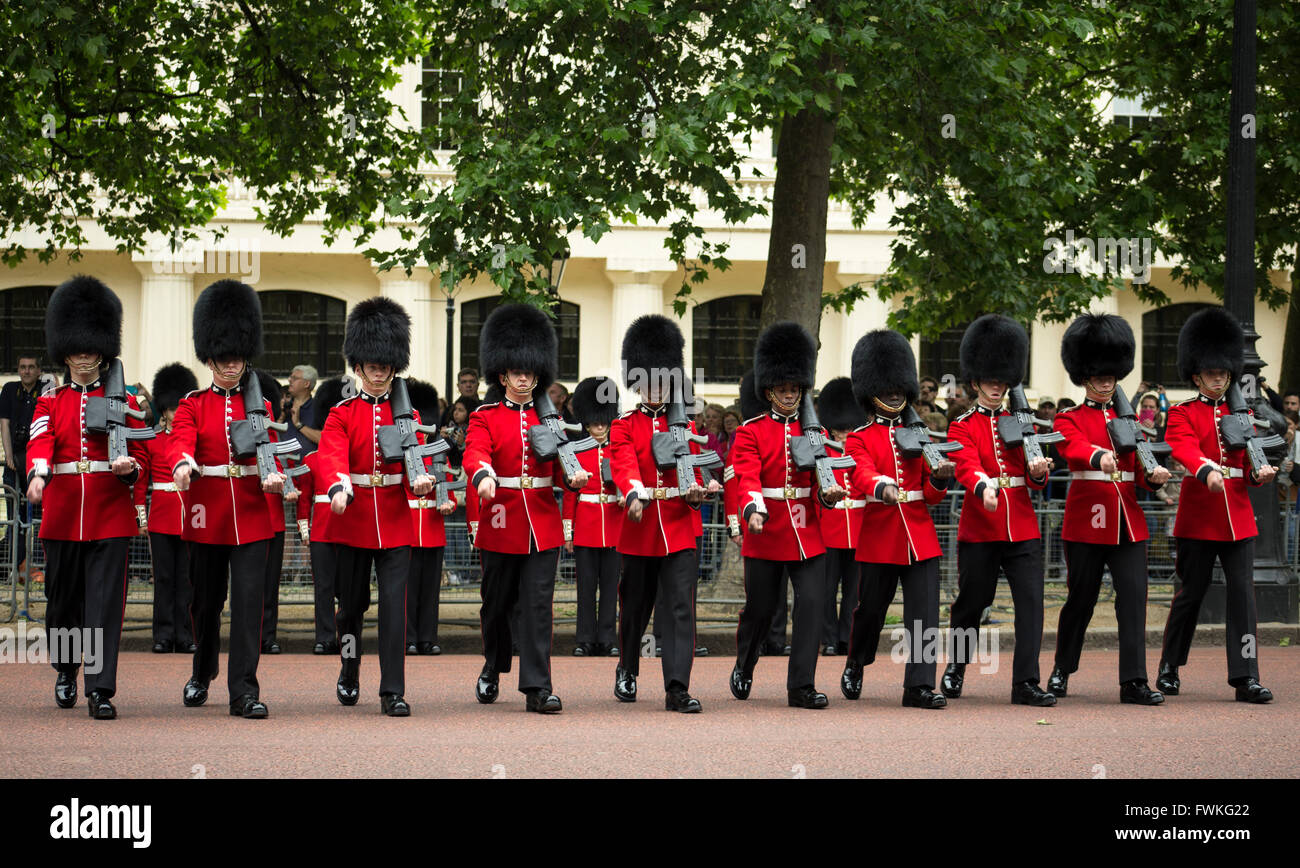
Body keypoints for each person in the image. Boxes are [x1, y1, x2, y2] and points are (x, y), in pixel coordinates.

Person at [25, 276, 148, 720]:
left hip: (109, 513)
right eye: (76, 349)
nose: (82, 356)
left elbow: (143, 453)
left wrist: (130, 468)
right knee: (62, 602)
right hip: (61, 513)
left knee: (103, 605)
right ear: (66, 350)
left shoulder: (126, 399)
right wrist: (39, 474)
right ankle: (64, 668)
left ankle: (100, 688)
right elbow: (39, 441)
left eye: (90, 349)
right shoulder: (50, 400)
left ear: (102, 349)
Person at [319, 298, 444, 717]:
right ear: (359, 366)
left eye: (385, 364)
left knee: (395, 605)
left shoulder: (406, 415)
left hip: (393, 519)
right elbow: (332, 454)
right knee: (351, 607)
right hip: (352, 519)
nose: (378, 370)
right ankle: (350, 666)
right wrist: (338, 486)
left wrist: (422, 478)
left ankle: (393, 689)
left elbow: (419, 455)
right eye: (371, 364)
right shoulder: (342, 414)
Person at [464, 303, 588, 713]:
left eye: (529, 372)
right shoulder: (485, 415)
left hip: (542, 523)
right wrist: (482, 474)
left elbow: (565, 463)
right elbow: (476, 451)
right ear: (502, 375)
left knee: (538, 604)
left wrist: (573, 475)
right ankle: (493, 664)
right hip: (500, 519)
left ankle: (538, 686)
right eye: (516, 371)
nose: (523, 377)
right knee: (496, 604)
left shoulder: (551, 419)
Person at [170, 280, 285, 719]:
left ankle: (244, 690)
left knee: (250, 604)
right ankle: (202, 671)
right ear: (210, 357)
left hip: (253, 513)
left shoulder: (263, 408)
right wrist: (183, 463)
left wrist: (274, 477)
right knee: (205, 601)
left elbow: (268, 453)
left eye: (237, 356)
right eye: (223, 357)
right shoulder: (192, 405)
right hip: (208, 513)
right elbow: (181, 439)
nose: (231, 364)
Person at [1046, 314, 1168, 705]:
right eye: (1098, 374)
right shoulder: (1069, 418)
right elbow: (1073, 448)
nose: (1105, 380)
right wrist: (1100, 456)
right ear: (1085, 376)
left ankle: (1134, 680)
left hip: (1128, 523)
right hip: (1087, 523)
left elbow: (1142, 469)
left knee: (1133, 597)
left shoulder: (1130, 421)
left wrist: (1154, 476)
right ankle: (1063, 667)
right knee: (1081, 599)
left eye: (1110, 373)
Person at [1156, 307, 1275, 703]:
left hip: (1238, 518)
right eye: (1212, 374)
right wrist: (1206, 469)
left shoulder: (1243, 415)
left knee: (1243, 596)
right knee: (1191, 593)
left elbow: (1247, 463)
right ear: (1196, 375)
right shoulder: (1182, 412)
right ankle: (1170, 664)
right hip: (1199, 518)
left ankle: (1246, 676)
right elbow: (1183, 447)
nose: (1219, 379)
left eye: (1224, 374)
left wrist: (1260, 473)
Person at [940, 314, 1056, 706]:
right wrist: (982, 486)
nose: (996, 386)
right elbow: (965, 464)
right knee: (972, 603)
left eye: (1001, 381)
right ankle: (956, 665)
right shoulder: (962, 425)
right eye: (990, 381)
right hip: (981, 529)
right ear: (975, 383)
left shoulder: (1022, 424)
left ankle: (1025, 682)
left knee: (1031, 605)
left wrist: (1039, 471)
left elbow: (1035, 474)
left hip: (1022, 528)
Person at [730, 323, 845, 709]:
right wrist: (752, 509)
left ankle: (801, 685)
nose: (791, 395)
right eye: (784, 389)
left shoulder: (816, 431)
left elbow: (827, 476)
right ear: (769, 391)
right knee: (761, 610)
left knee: (812, 605)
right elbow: (746, 474)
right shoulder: (751, 431)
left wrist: (829, 494)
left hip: (807, 530)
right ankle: (745, 662)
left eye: (796, 389)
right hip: (768, 528)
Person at [840, 330, 954, 708]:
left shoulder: (920, 436)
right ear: (872, 392)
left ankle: (918, 685)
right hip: (880, 538)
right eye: (886, 388)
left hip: (919, 537)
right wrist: (881, 486)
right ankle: (857, 660)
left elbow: (931, 493)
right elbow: (861, 472)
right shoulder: (859, 438)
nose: (893, 394)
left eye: (897, 388)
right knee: (870, 611)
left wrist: (939, 479)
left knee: (924, 613)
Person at [609, 317, 716, 712]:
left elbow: (695, 469)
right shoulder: (624, 425)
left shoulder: (685, 424)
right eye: (648, 380)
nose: (655, 388)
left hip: (679, 525)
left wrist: (702, 488)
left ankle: (677, 686)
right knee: (634, 608)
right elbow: (622, 463)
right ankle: (628, 667)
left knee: (680, 607)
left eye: (662, 380)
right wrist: (634, 492)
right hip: (640, 527)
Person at [562, 376, 623, 658]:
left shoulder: (619, 451)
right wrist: (568, 533)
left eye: (603, 422)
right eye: (595, 423)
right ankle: (585, 638)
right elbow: (571, 494)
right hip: (586, 526)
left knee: (611, 587)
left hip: (614, 524)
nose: (599, 427)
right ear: (586, 423)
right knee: (585, 588)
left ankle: (608, 638)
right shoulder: (577, 451)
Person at [143, 362, 199, 655]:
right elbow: (141, 483)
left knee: (187, 578)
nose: (177, 414)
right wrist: (141, 514)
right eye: (172, 408)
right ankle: (163, 634)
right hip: (163, 514)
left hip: (191, 514)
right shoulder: (153, 440)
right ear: (163, 410)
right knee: (164, 578)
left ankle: (185, 634)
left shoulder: (193, 442)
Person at [813, 376, 867, 657]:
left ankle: (848, 637)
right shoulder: (821, 449)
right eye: (840, 429)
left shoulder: (862, 447)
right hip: (829, 528)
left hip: (859, 527)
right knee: (825, 589)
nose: (844, 433)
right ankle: (829, 638)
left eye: (848, 428)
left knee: (854, 591)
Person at [405, 377, 454, 657]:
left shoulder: (438, 456)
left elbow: (445, 491)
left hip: (433, 529)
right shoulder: (402, 456)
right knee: (408, 589)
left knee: (430, 590)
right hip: (408, 529)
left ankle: (428, 637)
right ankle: (409, 637)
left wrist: (445, 503)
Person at [303, 376, 346, 654]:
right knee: (324, 587)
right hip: (321, 528)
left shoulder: (350, 459)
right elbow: (306, 499)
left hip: (349, 527)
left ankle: (346, 637)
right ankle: (324, 636)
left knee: (347, 588)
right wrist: (305, 528)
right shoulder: (311, 459)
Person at [254, 369, 290, 656]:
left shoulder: (276, 442)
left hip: (274, 519)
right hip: (250, 518)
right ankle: (250, 633)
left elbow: (282, 470)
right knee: (248, 583)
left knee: (270, 583)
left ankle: (268, 635)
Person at [1, 353, 44, 576]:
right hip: (15, 464)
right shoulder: (9, 390)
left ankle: (36, 567)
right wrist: (8, 455)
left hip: (38, 465)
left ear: (39, 371)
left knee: (38, 520)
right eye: (22, 367)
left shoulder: (46, 391)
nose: (26, 371)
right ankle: (14, 568)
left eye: (31, 367)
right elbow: (4, 423)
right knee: (14, 520)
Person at [282, 364, 320, 454]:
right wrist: (280, 417)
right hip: (281, 465)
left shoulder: (318, 408)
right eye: (290, 377)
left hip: (308, 466)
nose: (289, 380)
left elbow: (325, 439)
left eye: (295, 378)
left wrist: (298, 424)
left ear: (306, 384)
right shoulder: (284, 406)